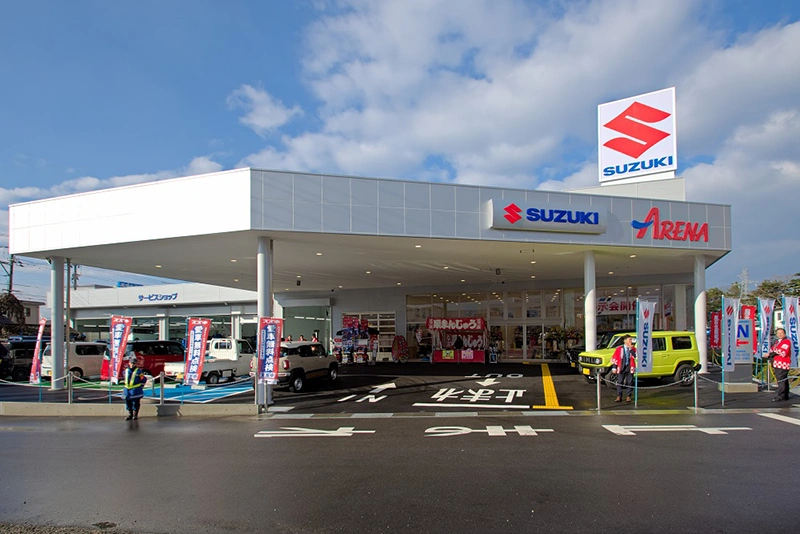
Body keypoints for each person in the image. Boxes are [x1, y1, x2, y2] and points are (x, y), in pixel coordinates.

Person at [769, 327, 792, 402]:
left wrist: (770, 354)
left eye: (781, 333)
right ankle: (785, 395)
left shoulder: (786, 341)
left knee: (781, 380)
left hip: (783, 363)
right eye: (778, 333)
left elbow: (781, 351)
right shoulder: (777, 342)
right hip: (776, 363)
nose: (780, 334)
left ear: (784, 334)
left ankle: (781, 395)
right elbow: (772, 350)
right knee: (783, 379)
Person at [611, 335, 636, 403]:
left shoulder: (633, 348)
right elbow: (615, 358)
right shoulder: (619, 349)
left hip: (630, 367)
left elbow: (635, 356)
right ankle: (619, 396)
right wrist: (614, 367)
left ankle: (628, 396)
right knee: (620, 381)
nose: (631, 341)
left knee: (630, 382)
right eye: (629, 339)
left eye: (631, 339)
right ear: (625, 341)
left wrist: (631, 349)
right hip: (621, 366)